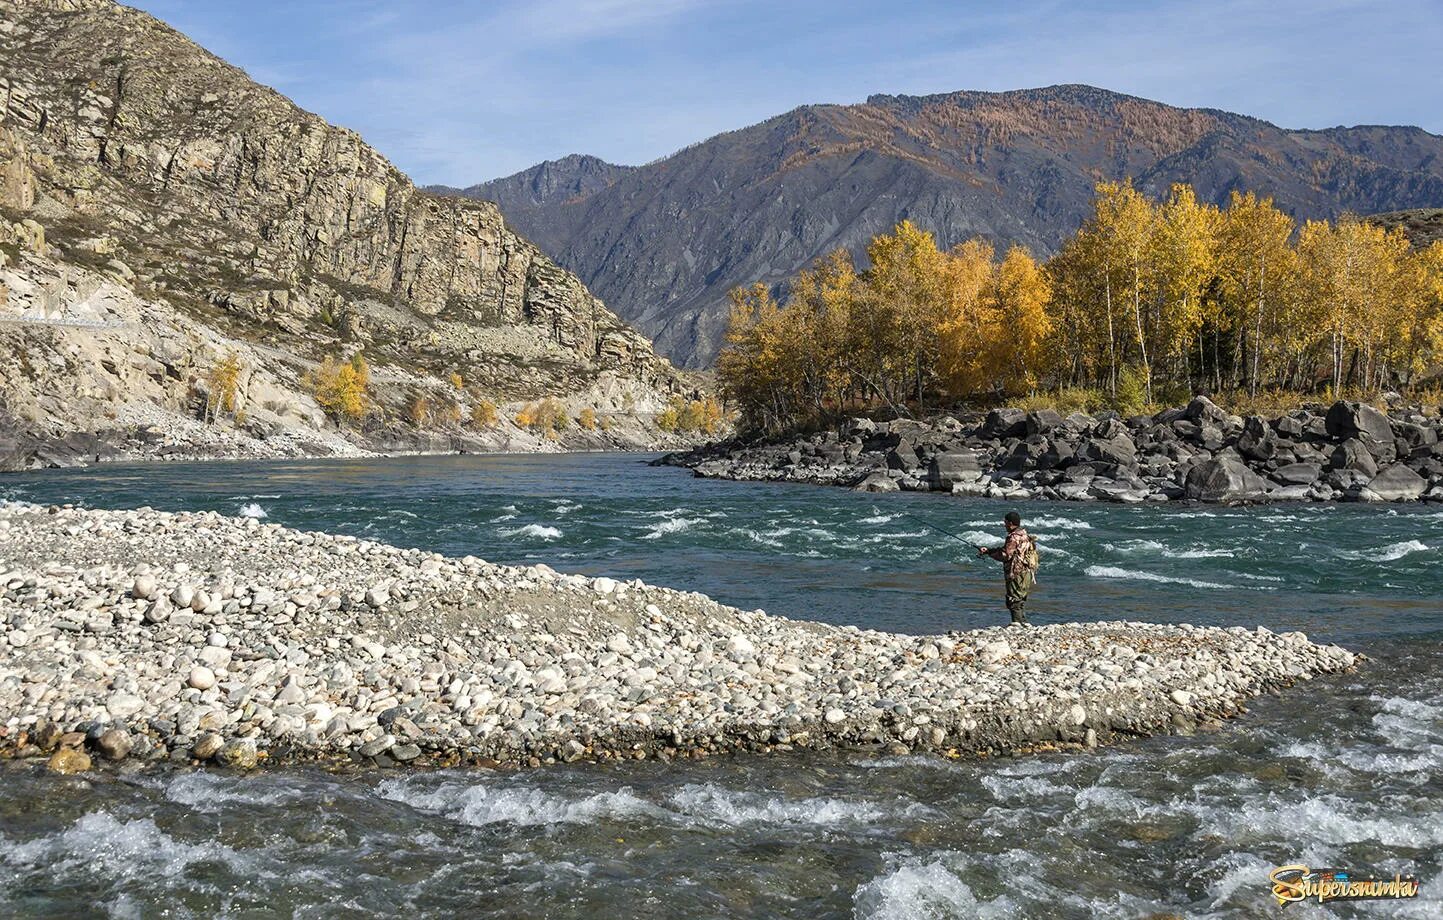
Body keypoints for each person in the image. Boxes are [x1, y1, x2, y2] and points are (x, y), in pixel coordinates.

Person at [977, 510, 1038, 626]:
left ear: (1010, 523)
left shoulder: (1013, 537)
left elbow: (1005, 555)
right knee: (1020, 598)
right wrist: (989, 550)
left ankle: (1017, 625)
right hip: (1026, 572)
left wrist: (989, 554)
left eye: (1005, 522)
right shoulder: (1024, 534)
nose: (1004, 525)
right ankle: (1023, 623)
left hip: (1016, 572)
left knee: (1013, 600)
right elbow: (1009, 550)